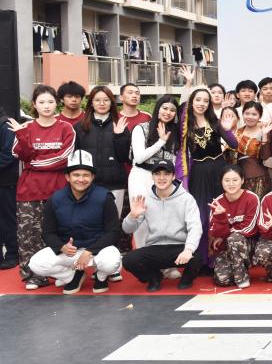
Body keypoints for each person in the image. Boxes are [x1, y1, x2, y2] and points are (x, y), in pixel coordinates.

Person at [28, 150, 122, 294]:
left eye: (86, 175)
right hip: (70, 252)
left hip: (98, 250)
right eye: (76, 175)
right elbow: (48, 233)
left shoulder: (104, 196)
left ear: (92, 177)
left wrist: (90, 251)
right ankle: (73, 276)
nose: (81, 179)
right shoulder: (55, 199)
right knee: (36, 264)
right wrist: (61, 247)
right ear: (67, 177)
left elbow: (113, 232)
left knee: (111, 262)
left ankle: (101, 276)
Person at [9, 85, 75, 289]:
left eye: (50, 102)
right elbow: (19, 154)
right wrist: (22, 136)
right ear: (34, 105)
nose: (46, 106)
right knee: (29, 236)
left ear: (57, 103)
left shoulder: (66, 128)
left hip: (59, 191)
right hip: (29, 191)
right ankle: (33, 276)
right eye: (42, 102)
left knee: (61, 234)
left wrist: (35, 163)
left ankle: (63, 272)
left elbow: (64, 158)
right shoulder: (26, 128)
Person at [121, 159, 203, 291]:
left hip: (178, 248)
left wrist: (188, 249)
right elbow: (127, 229)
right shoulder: (146, 199)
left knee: (197, 256)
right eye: (157, 174)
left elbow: (195, 227)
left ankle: (187, 279)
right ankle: (154, 277)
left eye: (166, 174)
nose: (161, 178)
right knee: (129, 260)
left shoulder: (186, 198)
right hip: (155, 248)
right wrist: (132, 216)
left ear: (173, 176)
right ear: (152, 176)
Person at [178, 88, 237, 267]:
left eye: (205, 100)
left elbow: (234, 144)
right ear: (191, 102)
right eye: (198, 99)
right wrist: (188, 85)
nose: (202, 103)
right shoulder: (185, 125)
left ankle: (220, 260)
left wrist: (227, 130)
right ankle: (202, 260)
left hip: (219, 171)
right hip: (199, 173)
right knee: (201, 217)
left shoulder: (215, 122)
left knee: (220, 214)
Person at [73, 86, 129, 217]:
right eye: (97, 100)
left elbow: (124, 157)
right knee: (88, 222)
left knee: (112, 222)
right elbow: (75, 158)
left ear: (111, 102)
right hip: (87, 184)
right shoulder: (80, 127)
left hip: (115, 184)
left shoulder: (120, 125)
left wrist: (119, 136)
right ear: (91, 103)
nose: (102, 103)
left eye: (106, 100)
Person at [208, 165, 260, 288]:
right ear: (221, 182)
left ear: (242, 180)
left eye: (235, 180)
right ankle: (236, 269)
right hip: (227, 247)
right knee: (222, 280)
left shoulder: (252, 198)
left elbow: (249, 228)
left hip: (249, 244)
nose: (231, 184)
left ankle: (242, 278)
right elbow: (214, 231)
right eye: (227, 180)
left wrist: (225, 235)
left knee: (234, 238)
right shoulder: (217, 203)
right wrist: (221, 217)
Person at [125, 95, 179, 208]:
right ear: (158, 109)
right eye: (165, 108)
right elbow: (139, 158)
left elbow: (174, 159)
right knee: (140, 214)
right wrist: (161, 141)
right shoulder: (141, 128)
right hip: (141, 176)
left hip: (164, 179)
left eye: (172, 110)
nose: (168, 112)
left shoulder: (174, 133)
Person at [233, 101, 270, 198]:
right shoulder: (237, 132)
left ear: (260, 116)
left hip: (257, 177)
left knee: (256, 204)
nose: (250, 117)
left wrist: (265, 136)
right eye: (247, 113)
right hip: (237, 177)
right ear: (242, 114)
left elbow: (265, 156)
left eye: (254, 114)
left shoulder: (264, 132)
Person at [0, 105, 18, 269]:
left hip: (6, 183)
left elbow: (9, 154)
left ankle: (13, 254)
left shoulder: (6, 126)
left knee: (8, 220)